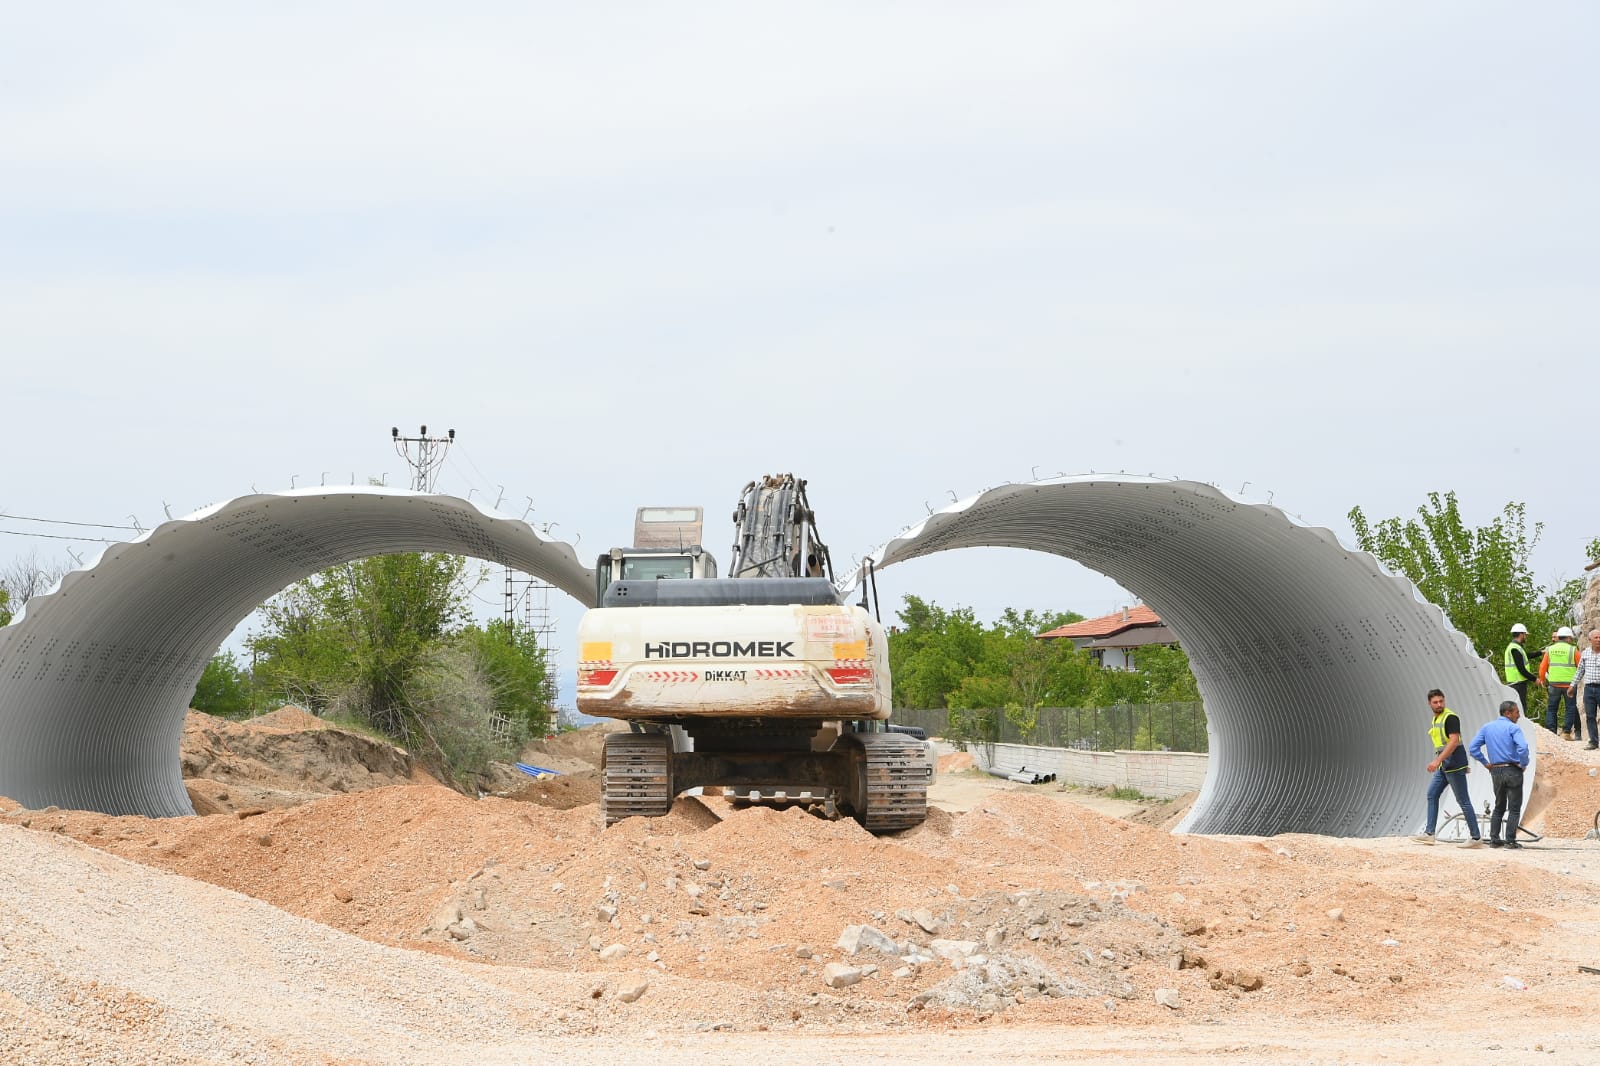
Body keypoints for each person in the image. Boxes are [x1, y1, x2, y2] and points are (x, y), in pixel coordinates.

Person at [1412, 689, 1483, 848]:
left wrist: (1437, 761)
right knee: (1432, 794)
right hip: (1447, 763)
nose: (1439, 704)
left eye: (1441, 701)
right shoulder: (1437, 718)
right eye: (1435, 702)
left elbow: (1454, 741)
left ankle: (1476, 837)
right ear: (1429, 703)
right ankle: (1430, 833)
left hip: (1452, 763)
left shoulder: (1450, 717)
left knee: (1463, 800)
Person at [1467, 700, 1531, 849]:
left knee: (1499, 806)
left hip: (1495, 770)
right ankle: (1510, 841)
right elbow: (1523, 747)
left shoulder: (1487, 727)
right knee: (1514, 808)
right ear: (1507, 713)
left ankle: (1494, 839)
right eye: (1516, 712)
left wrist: (1486, 763)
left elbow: (1473, 747)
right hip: (1512, 769)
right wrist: (1523, 764)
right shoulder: (1513, 728)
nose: (1518, 715)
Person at [1539, 626, 1580, 738]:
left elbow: (1542, 667)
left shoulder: (1550, 650)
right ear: (1567, 638)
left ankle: (1551, 731)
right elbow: (1580, 666)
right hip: (1569, 684)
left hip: (1554, 683)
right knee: (1570, 708)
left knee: (1552, 708)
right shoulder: (1573, 650)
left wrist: (1542, 679)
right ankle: (1566, 732)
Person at [1572, 629, 1600, 750]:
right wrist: (1572, 685)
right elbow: (1580, 671)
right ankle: (1593, 741)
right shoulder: (1585, 654)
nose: (1599, 640)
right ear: (1590, 640)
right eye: (1596, 638)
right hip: (1589, 689)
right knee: (1590, 716)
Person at [1504, 623, 1538, 712]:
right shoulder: (1515, 648)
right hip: (1517, 683)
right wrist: (1534, 679)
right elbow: (1521, 669)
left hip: (1516, 682)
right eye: (1525, 635)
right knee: (1520, 708)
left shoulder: (1515, 647)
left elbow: (1525, 656)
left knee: (1518, 707)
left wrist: (1540, 652)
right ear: (1521, 634)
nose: (1525, 637)